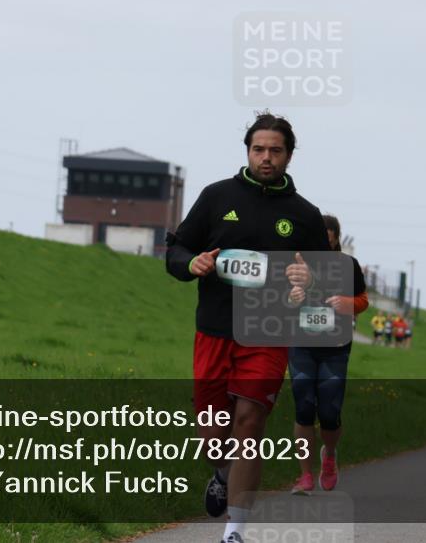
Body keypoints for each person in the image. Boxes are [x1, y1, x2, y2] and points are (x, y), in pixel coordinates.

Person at [165, 113, 330, 543]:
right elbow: (177, 249)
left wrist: (307, 282)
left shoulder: (304, 215)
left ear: (289, 155)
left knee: (250, 422)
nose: (266, 158)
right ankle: (221, 473)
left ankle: (235, 532)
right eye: (259, 149)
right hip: (215, 328)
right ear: (247, 151)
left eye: (276, 150)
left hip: (269, 328)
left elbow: (322, 279)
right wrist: (192, 263)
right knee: (214, 438)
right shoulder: (217, 197)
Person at [289, 215, 368, 495]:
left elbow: (363, 301)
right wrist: (292, 299)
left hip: (335, 346)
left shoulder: (348, 265)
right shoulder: (296, 262)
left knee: (330, 412)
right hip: (301, 343)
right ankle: (305, 475)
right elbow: (279, 298)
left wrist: (348, 303)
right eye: (318, 232)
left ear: (336, 237)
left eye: (329, 233)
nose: (324, 237)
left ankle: (330, 455)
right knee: (303, 407)